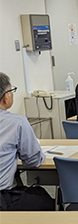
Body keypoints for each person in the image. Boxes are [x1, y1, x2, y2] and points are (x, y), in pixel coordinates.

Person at [0, 73, 54, 210]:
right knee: (46, 201)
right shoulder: (17, 122)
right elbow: (32, 161)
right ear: (6, 96)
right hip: (3, 199)